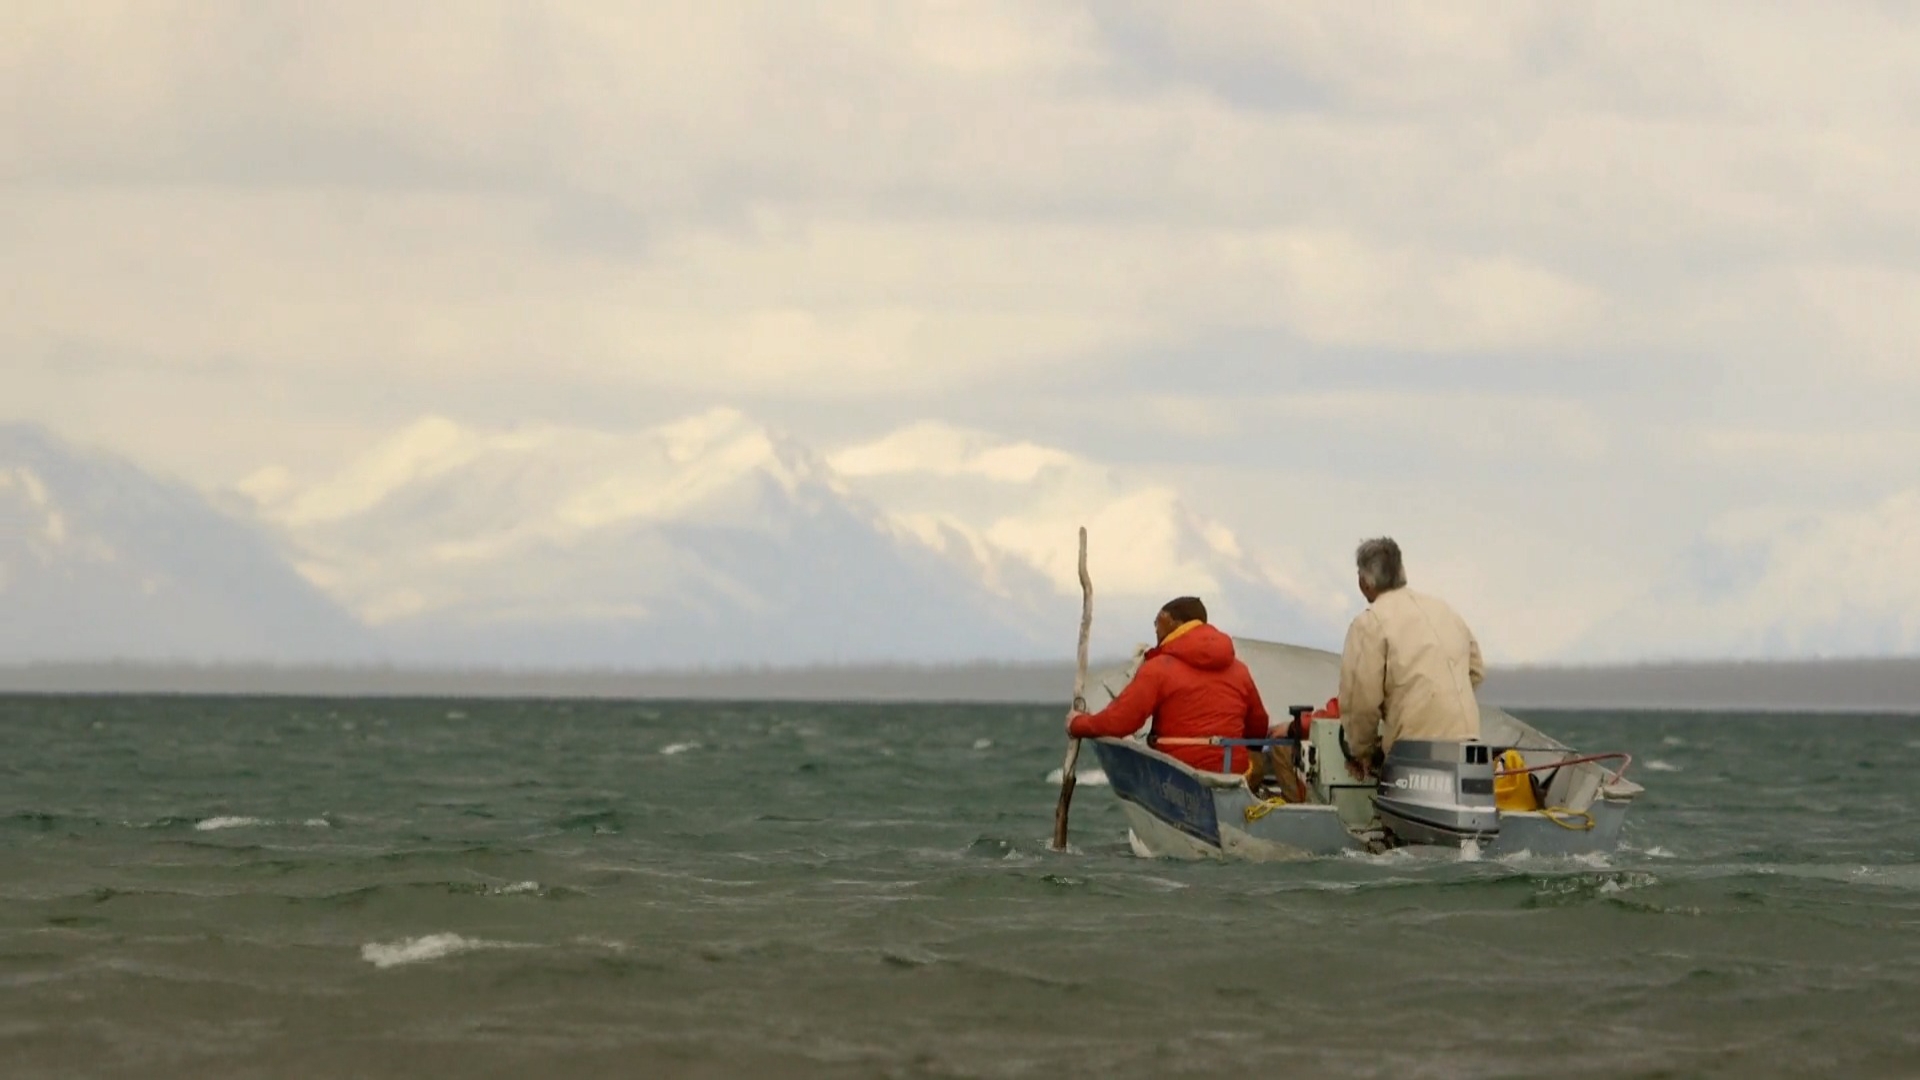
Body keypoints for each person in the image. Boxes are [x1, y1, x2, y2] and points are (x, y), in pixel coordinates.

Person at [1065, 596, 1270, 776]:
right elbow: (1259, 722)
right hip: (1234, 771)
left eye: (1158, 621)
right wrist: (1248, 752)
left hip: (1180, 774)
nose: (1155, 628)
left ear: (1173, 622)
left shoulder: (1159, 668)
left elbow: (1120, 722)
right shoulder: (1239, 669)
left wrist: (1078, 724)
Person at [1338, 537, 1485, 778]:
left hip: (1414, 752)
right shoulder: (1445, 610)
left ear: (1363, 581)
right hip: (1468, 745)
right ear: (1401, 571)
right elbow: (1477, 671)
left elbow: (1360, 700)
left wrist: (1361, 751)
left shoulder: (1370, 623)